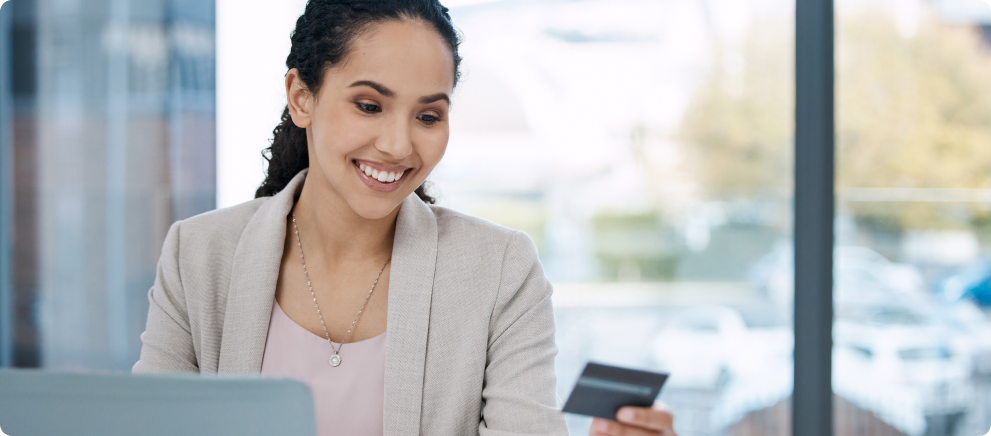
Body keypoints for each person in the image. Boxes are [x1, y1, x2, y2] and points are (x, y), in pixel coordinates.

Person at [133, 1, 676, 435]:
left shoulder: (499, 270)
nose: (397, 145)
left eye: (428, 116)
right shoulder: (199, 254)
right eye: (369, 105)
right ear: (302, 98)